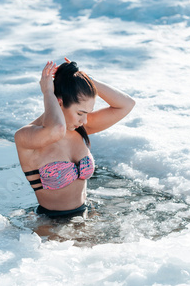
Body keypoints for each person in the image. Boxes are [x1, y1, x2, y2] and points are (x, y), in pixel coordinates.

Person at [14, 58, 135, 218]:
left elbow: (126, 104)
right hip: (51, 226)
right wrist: (48, 92)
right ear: (59, 102)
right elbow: (56, 130)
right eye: (80, 113)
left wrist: (85, 79)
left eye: (87, 113)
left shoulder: (78, 127)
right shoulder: (25, 137)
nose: (84, 120)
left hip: (86, 216)